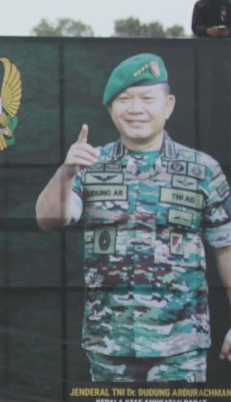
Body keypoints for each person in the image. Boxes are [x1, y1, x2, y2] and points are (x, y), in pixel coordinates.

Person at [35, 53, 231, 382]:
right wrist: (67, 172)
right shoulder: (91, 165)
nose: (135, 108)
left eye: (146, 98)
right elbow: (49, 219)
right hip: (110, 345)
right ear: (111, 109)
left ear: (168, 105)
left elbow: (226, 248)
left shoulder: (203, 170)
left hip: (181, 345)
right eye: (124, 99)